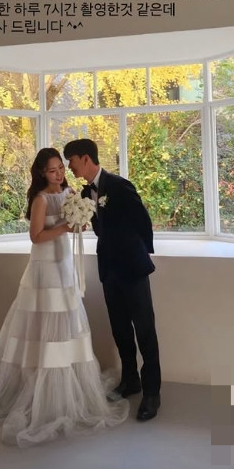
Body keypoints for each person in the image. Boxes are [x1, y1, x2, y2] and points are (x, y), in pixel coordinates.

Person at [0, 148, 128, 446]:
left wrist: (79, 223)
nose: (59, 173)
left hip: (64, 265)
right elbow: (36, 236)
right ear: (42, 173)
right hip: (44, 269)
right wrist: (64, 227)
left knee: (66, 320)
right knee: (42, 322)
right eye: (53, 170)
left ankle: (64, 387)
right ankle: (37, 386)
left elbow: (75, 226)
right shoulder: (40, 199)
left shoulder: (70, 192)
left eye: (61, 168)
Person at [63, 139, 161, 421]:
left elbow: (143, 222)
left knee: (145, 331)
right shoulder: (85, 193)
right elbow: (98, 227)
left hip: (132, 269)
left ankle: (152, 393)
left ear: (85, 158)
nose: (70, 167)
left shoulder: (119, 185)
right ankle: (130, 381)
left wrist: (138, 254)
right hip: (109, 270)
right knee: (120, 330)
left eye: (71, 160)